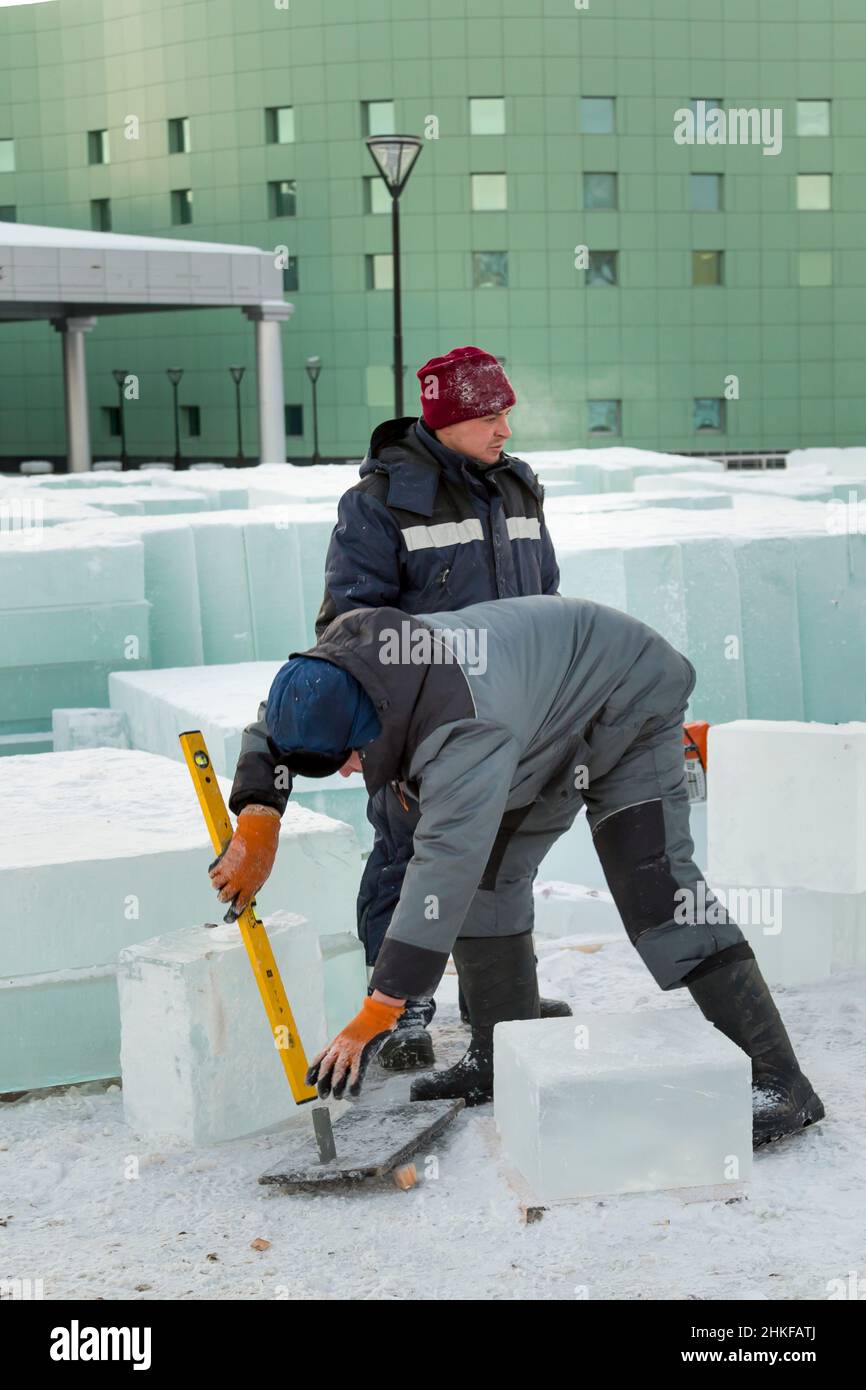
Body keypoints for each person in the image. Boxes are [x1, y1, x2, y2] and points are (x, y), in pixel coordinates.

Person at [248, 593, 825, 1149]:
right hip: (540, 716)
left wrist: (382, 1004)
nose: (350, 774)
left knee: (655, 885)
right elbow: (279, 727)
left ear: (371, 724)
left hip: (626, 694)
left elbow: (444, 863)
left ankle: (779, 1079)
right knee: (489, 876)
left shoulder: (463, 731)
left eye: (350, 759)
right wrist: (257, 811)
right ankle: (502, 1055)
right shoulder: (337, 665)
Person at [215, 346, 570, 1072]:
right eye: (487, 417)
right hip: (418, 726)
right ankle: (400, 1009)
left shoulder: (518, 489)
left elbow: (547, 603)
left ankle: (498, 1001)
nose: (504, 430)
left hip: (513, 718)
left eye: (507, 414)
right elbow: (350, 634)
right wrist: (262, 801)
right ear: (446, 420)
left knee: (501, 859)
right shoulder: (380, 502)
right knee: (408, 859)